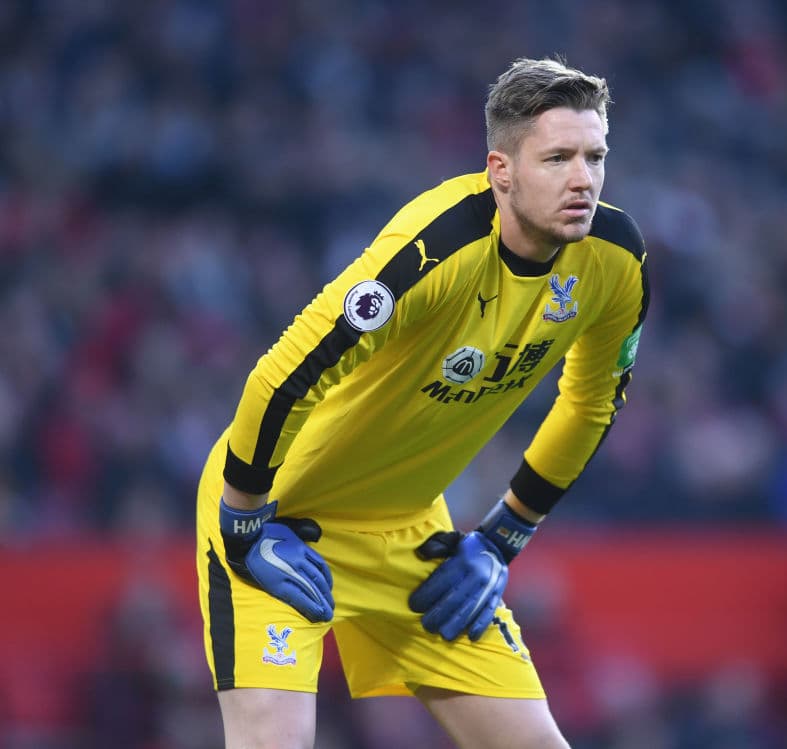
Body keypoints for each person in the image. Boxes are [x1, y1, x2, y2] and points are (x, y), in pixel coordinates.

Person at [195, 56, 649, 749]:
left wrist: (504, 534)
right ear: (502, 171)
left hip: (409, 533)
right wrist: (244, 521)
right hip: (282, 516)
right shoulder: (437, 247)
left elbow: (590, 404)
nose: (583, 178)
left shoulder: (615, 260)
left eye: (595, 156)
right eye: (557, 157)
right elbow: (283, 374)